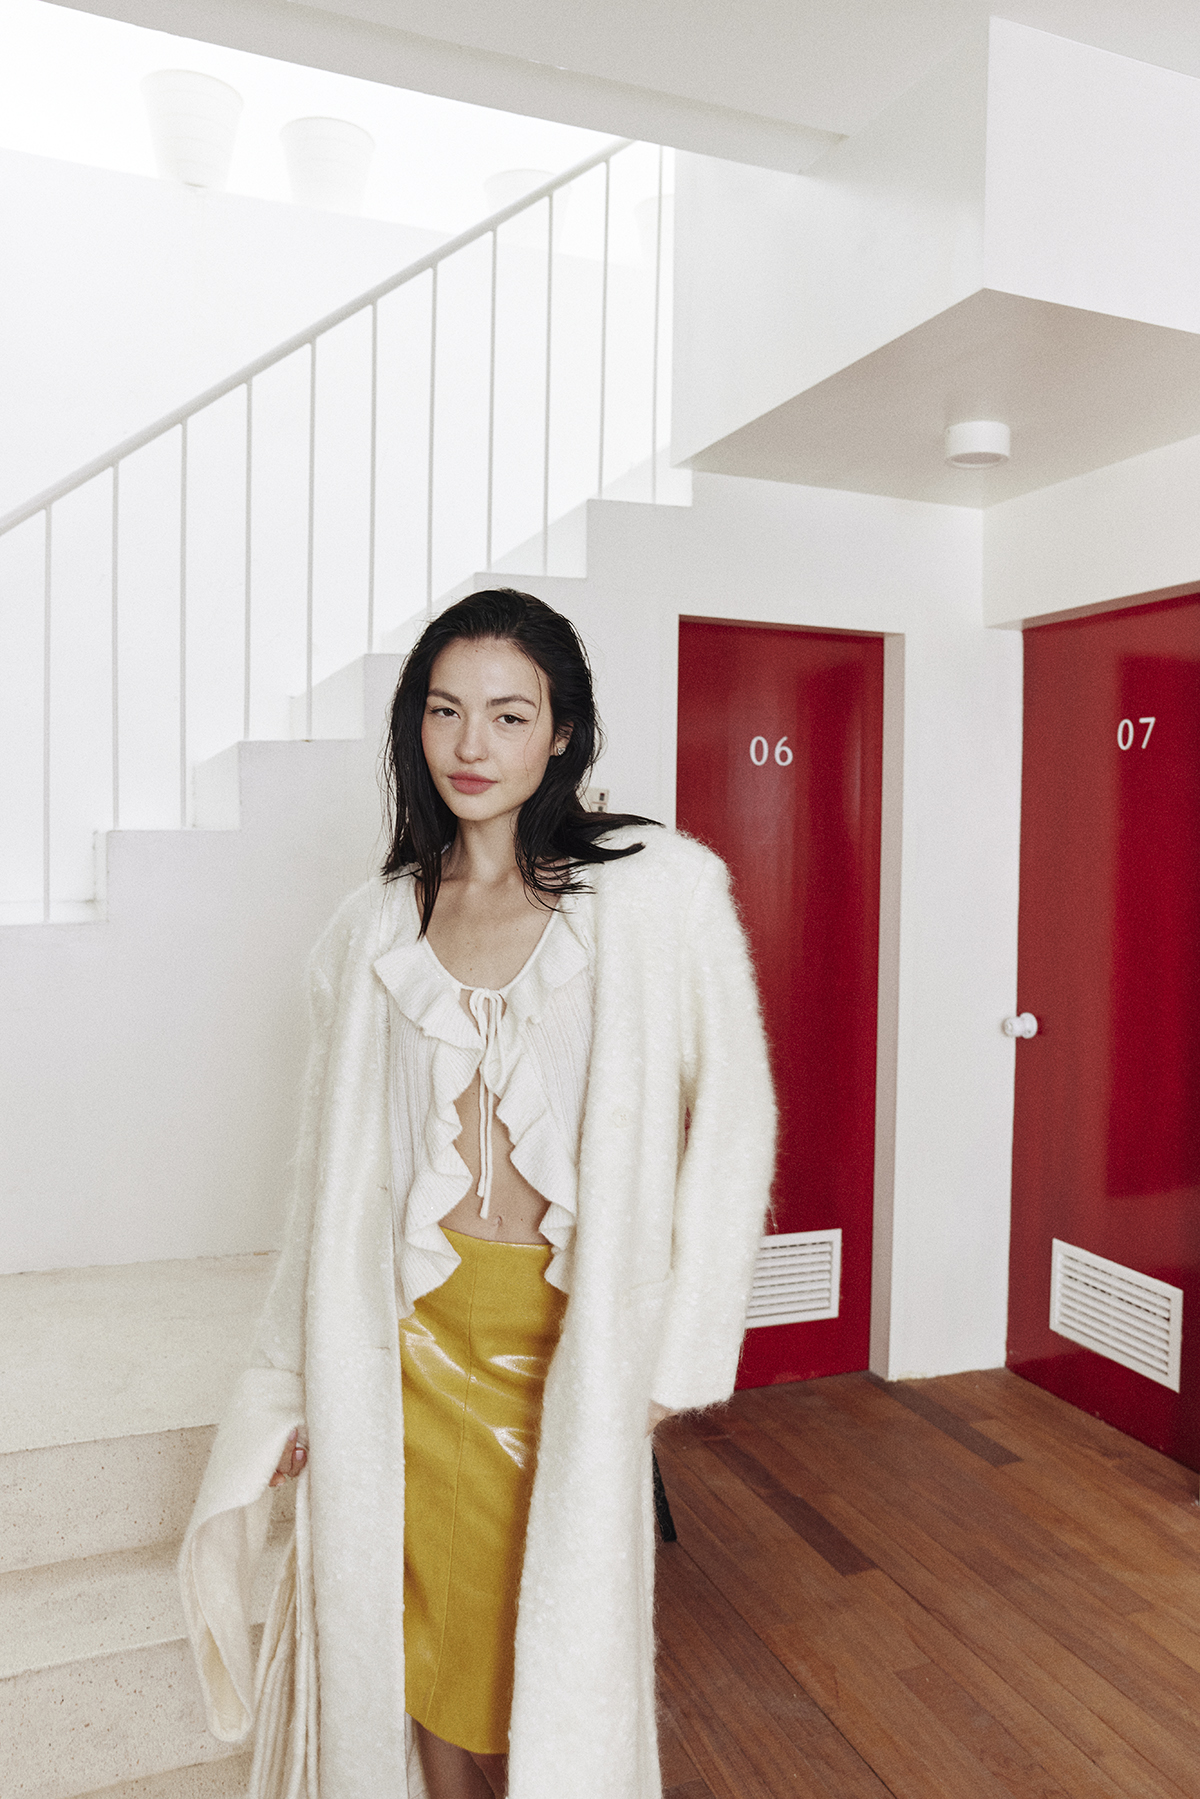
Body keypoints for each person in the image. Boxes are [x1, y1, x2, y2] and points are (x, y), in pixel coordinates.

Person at [179, 588, 776, 1799]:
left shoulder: (658, 894)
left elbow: (738, 1115)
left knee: (546, 1664)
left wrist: (671, 1358)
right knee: (414, 1646)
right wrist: (293, 1376)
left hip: (561, 1348)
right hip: (404, 1351)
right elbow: (325, 1177)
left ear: (562, 732)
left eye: (508, 714)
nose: (471, 744)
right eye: (445, 710)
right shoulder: (372, 927)